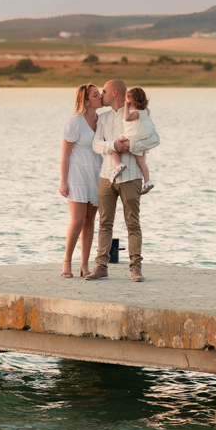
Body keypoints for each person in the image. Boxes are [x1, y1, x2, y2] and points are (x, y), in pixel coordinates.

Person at [86, 79, 146, 282]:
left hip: (131, 176)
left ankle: (136, 269)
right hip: (106, 176)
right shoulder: (103, 118)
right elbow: (96, 145)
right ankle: (101, 267)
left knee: (133, 223)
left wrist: (130, 146)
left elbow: (151, 140)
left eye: (103, 91)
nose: (101, 94)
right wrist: (113, 146)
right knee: (104, 223)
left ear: (114, 93)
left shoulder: (137, 115)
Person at [59, 83, 102, 278]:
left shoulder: (102, 120)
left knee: (89, 220)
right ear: (86, 100)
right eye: (95, 95)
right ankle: (66, 262)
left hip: (97, 173)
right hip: (77, 174)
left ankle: (85, 265)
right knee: (77, 219)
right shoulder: (74, 122)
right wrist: (63, 181)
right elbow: (65, 154)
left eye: (99, 93)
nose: (100, 97)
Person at [108, 87, 157, 194]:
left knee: (113, 146)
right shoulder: (146, 111)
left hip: (132, 137)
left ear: (132, 101)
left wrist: (126, 106)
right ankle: (147, 181)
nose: (125, 102)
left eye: (127, 100)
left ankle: (119, 164)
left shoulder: (136, 113)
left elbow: (127, 118)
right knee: (142, 163)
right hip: (140, 139)